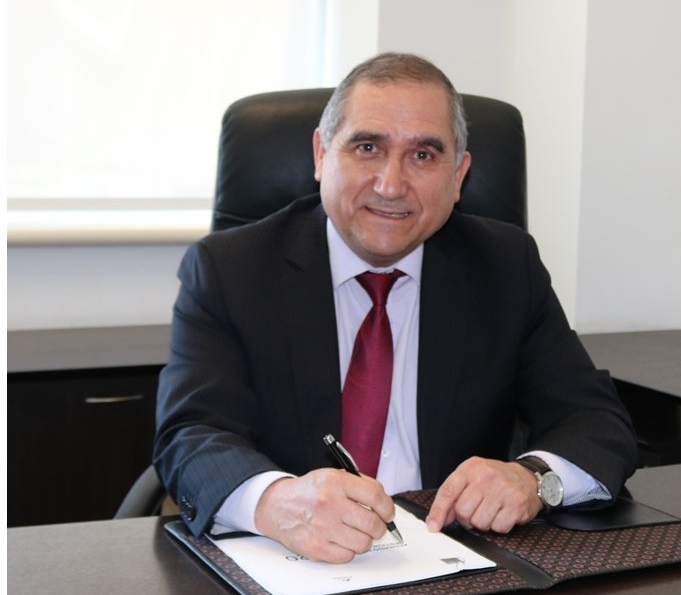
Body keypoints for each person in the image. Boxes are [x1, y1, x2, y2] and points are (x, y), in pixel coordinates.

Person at [154, 52, 638, 563]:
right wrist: (275, 502)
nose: (390, 185)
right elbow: (190, 436)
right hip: (291, 561)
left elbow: (596, 421)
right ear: (321, 154)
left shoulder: (505, 266)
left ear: (459, 176)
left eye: (423, 155)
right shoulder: (231, 269)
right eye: (368, 147)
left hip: (457, 563)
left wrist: (534, 478)